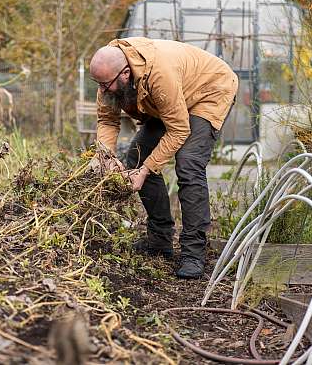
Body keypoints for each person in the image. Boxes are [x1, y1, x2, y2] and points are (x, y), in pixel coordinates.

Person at [89, 37, 238, 279]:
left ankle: (193, 253)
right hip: (172, 100)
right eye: (98, 84)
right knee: (137, 155)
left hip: (208, 90)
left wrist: (146, 171)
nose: (102, 90)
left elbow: (179, 129)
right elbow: (107, 120)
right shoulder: (109, 78)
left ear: (125, 73)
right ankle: (160, 240)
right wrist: (105, 157)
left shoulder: (158, 74)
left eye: (106, 85)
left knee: (189, 164)